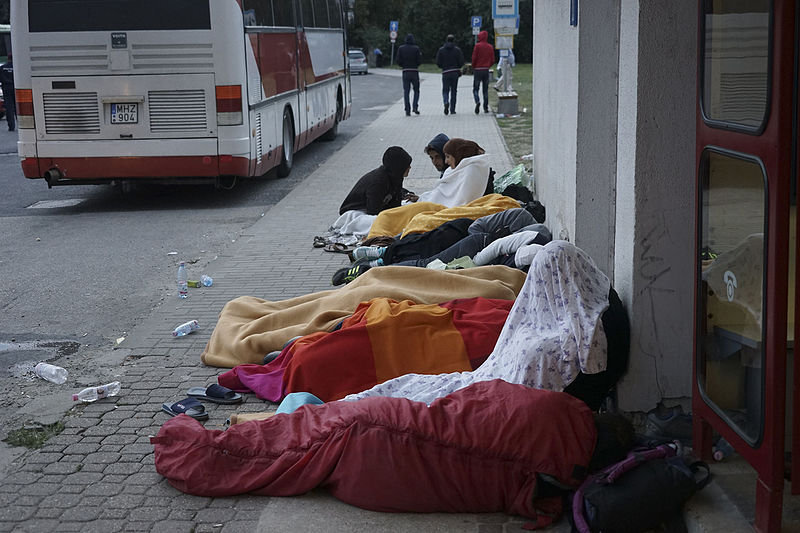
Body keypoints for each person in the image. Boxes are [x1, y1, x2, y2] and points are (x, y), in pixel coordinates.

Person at [152, 379, 635, 526]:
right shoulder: (562, 468)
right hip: (381, 438)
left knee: (276, 447)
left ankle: (185, 443)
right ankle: (188, 443)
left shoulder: (563, 409)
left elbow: (482, 397)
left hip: (385, 432)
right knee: (277, 451)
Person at [344, 240, 630, 411]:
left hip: (490, 383)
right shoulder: (553, 315)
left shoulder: (577, 332)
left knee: (416, 392)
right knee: (410, 382)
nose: (540, 287)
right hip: (480, 362)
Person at [338, 146, 412, 216]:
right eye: (407, 166)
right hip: (355, 211)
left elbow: (396, 203)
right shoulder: (377, 182)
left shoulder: (396, 176)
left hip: (372, 208)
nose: (410, 167)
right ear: (398, 168)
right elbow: (373, 213)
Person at [416, 138, 489, 206]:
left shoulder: (471, 171)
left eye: (448, 157)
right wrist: (422, 198)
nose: (446, 161)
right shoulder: (453, 170)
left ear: (458, 155)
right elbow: (441, 192)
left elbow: (460, 202)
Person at [435, 35, 464, 115]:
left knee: (445, 90)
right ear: (453, 40)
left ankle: (446, 101)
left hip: (445, 72)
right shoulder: (457, 50)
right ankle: (452, 109)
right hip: (455, 72)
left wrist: (443, 66)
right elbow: (461, 62)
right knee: (454, 91)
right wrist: (458, 66)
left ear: (446, 40)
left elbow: (438, 62)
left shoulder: (441, 50)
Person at [396, 35, 422, 116]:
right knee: (416, 90)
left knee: (406, 91)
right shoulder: (416, 48)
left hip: (405, 71)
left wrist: (403, 65)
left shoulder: (401, 48)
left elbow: (398, 60)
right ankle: (415, 107)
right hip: (414, 71)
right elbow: (419, 61)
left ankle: (407, 110)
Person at [471, 30, 495, 114]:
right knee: (485, 90)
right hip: (485, 70)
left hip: (477, 70)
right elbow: (493, 59)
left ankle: (477, 101)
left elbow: (474, 58)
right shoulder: (490, 47)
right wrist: (488, 66)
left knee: (475, 89)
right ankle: (485, 107)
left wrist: (473, 66)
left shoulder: (477, 46)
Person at [0, 54, 15, 132]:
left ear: (8, 58)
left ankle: (11, 126)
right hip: (16, 87)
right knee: (18, 107)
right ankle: (22, 126)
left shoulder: (2, 68)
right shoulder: (17, 67)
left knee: (9, 108)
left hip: (6, 88)